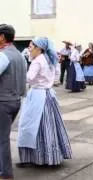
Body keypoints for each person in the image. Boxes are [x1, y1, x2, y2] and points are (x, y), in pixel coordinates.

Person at [17, 37, 72, 167]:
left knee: (32, 125)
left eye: (31, 47)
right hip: (48, 94)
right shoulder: (49, 59)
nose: (29, 49)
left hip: (38, 95)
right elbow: (56, 74)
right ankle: (50, 157)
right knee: (49, 125)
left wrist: (18, 71)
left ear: (39, 48)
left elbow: (29, 78)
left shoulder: (38, 61)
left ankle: (36, 158)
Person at [0, 24, 26, 180]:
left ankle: (5, 174)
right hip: (15, 100)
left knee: (2, 139)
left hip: (3, 101)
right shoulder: (19, 54)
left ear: (2, 37)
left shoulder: (3, 55)